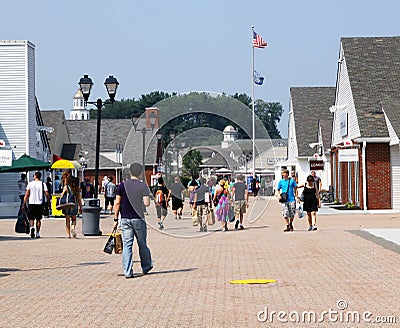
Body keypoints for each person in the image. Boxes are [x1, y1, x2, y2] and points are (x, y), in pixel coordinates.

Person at [113, 162, 153, 279]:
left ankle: (128, 271)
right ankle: (146, 266)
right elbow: (147, 203)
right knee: (142, 244)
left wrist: (116, 218)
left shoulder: (122, 185)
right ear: (141, 173)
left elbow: (117, 203)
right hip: (138, 218)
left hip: (125, 218)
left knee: (127, 245)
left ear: (130, 172)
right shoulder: (143, 186)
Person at [22, 171, 50, 238]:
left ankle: (32, 228)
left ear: (35, 176)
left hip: (31, 203)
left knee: (31, 218)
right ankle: (37, 233)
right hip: (39, 203)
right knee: (38, 219)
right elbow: (47, 194)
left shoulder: (30, 184)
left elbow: (27, 194)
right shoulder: (43, 184)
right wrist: (48, 201)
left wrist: (24, 203)